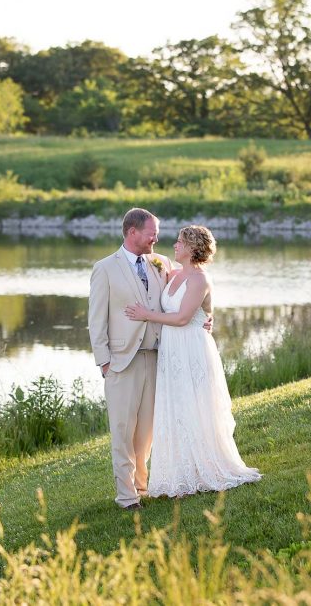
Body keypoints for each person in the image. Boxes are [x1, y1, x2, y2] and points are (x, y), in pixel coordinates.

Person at [88, 208, 212, 510]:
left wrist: (207, 318)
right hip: (121, 360)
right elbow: (96, 319)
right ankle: (127, 497)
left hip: (158, 358)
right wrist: (104, 361)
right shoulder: (105, 268)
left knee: (146, 432)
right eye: (151, 232)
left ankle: (142, 487)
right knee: (122, 430)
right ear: (133, 232)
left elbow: (197, 289)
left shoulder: (162, 264)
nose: (157, 238)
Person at [125, 225, 261, 498]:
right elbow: (203, 311)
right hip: (172, 349)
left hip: (192, 348)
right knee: (176, 406)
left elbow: (183, 318)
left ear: (192, 248)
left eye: (179, 242)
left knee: (196, 405)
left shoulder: (199, 279)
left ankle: (206, 467)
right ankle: (179, 471)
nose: (174, 245)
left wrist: (146, 314)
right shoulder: (173, 274)